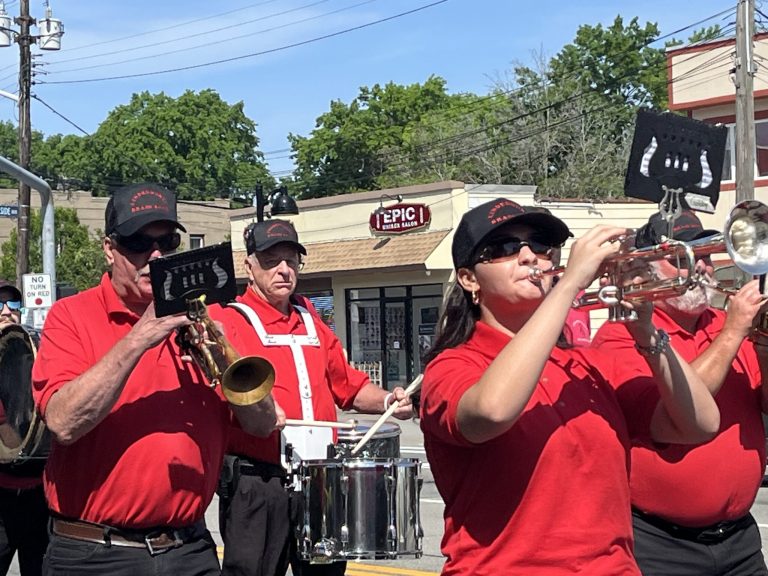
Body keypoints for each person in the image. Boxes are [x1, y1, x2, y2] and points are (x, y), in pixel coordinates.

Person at [418, 198, 721, 575]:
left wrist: (646, 331)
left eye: (542, 247)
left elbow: (700, 424)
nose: (531, 257)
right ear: (468, 279)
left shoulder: (587, 364)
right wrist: (571, 283)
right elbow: (491, 411)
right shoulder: (452, 367)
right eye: (506, 248)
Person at [31, 183, 280, 576]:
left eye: (167, 242)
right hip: (94, 553)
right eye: (137, 243)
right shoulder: (70, 316)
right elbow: (62, 422)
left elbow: (264, 425)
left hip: (189, 549)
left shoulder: (211, 317)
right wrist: (141, 337)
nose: (155, 256)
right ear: (109, 248)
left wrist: (223, 351)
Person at [212, 218, 414, 576]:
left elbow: (349, 386)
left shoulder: (311, 319)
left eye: (291, 261)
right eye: (272, 261)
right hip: (259, 482)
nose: (284, 270)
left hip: (321, 481)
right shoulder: (227, 320)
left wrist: (388, 401)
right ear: (249, 266)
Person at [592, 210, 768, 576]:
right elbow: (685, 413)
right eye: (681, 260)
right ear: (645, 272)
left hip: (740, 540)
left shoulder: (724, 324)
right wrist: (734, 332)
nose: (700, 268)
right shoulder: (620, 336)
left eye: (705, 256)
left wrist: (764, 345)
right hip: (662, 545)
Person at [0, 280, 47, 576]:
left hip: (38, 495)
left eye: (13, 305)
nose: (7, 312)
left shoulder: (33, 350)